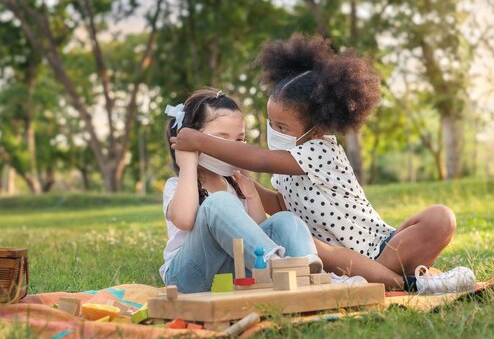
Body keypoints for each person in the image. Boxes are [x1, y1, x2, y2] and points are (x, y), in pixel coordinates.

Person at [170, 34, 476, 294]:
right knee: (315, 243)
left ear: (315, 130)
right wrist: (248, 187)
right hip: (332, 254)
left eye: (282, 127)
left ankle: (383, 280)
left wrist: (199, 142)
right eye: (270, 123)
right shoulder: (281, 171)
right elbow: (280, 204)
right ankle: (400, 283)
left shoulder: (318, 151)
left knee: (440, 217)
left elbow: (258, 157)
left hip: (380, 247)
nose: (273, 133)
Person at [160, 88, 323, 293]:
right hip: (188, 277)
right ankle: (275, 267)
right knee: (217, 203)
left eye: (239, 140)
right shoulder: (176, 185)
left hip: (232, 274)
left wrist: (252, 195)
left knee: (284, 219)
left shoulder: (234, 184)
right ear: (193, 141)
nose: (232, 149)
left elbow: (257, 234)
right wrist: (188, 166)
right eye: (221, 138)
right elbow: (184, 220)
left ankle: (309, 271)